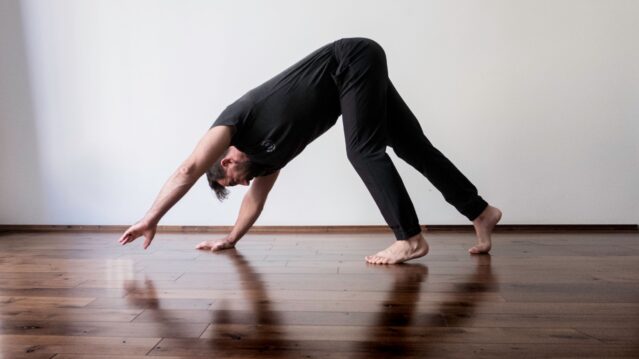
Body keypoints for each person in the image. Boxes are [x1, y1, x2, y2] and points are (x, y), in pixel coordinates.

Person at [118, 37, 502, 264]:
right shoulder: (265, 161)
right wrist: (231, 239)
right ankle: (481, 212)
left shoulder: (233, 123)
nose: (243, 182)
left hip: (350, 59)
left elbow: (187, 169)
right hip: (354, 76)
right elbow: (256, 200)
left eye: (232, 180)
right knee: (413, 147)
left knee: (362, 151)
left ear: (227, 160)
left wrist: (151, 218)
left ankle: (410, 238)